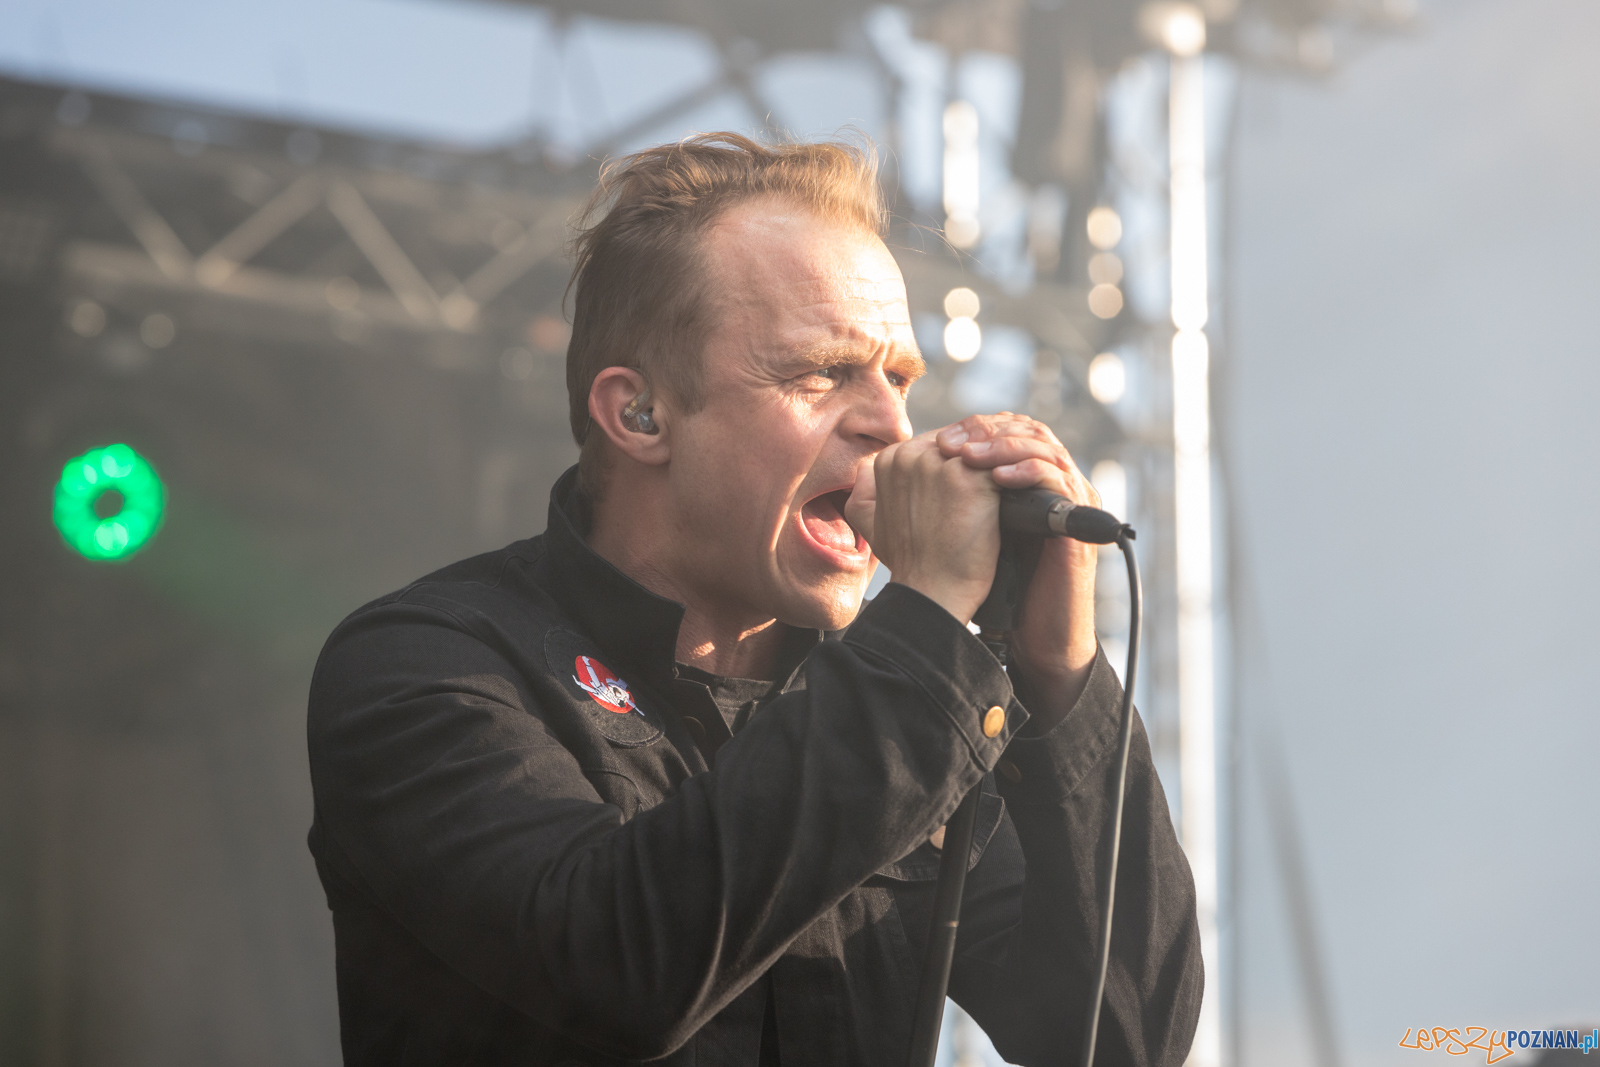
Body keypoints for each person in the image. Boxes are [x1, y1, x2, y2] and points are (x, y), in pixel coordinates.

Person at [306, 133, 1202, 1067]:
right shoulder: (427, 663)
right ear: (640, 413)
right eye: (822, 371)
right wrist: (930, 627)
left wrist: (1062, 678)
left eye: (899, 379)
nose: (892, 426)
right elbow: (617, 964)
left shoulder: (903, 702)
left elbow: (1124, 1039)